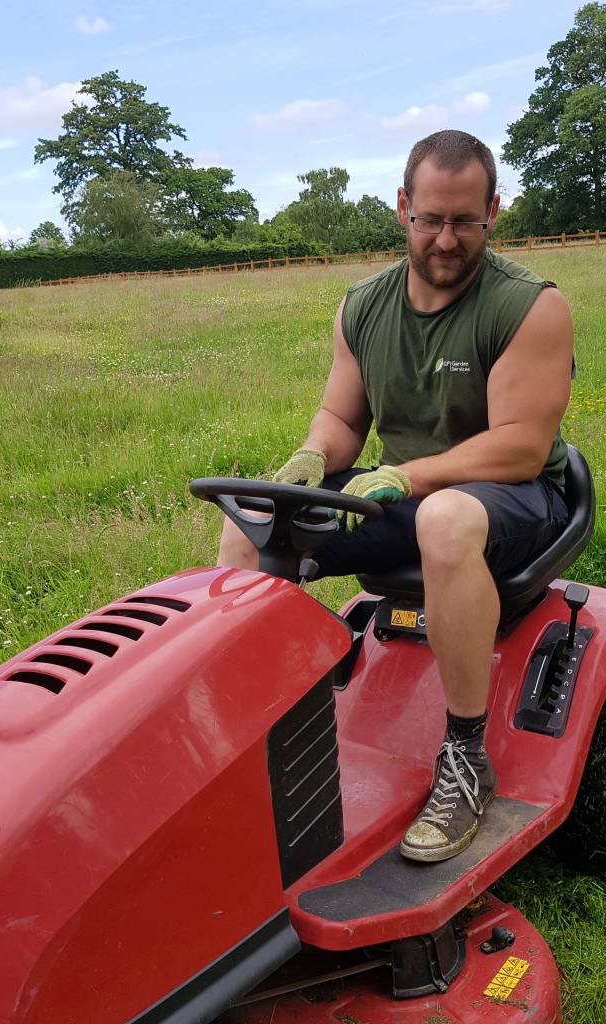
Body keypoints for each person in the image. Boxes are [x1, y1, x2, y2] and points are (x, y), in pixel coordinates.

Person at [218, 130, 573, 863]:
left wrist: (411, 477)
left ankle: (467, 758)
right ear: (404, 208)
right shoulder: (362, 309)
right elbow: (344, 419)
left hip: (513, 497)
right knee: (252, 524)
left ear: (493, 213)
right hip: (401, 493)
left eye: (464, 221)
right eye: (431, 219)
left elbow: (521, 445)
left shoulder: (528, 306)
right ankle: (246, 743)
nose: (446, 239)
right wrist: (314, 455)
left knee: (443, 518)